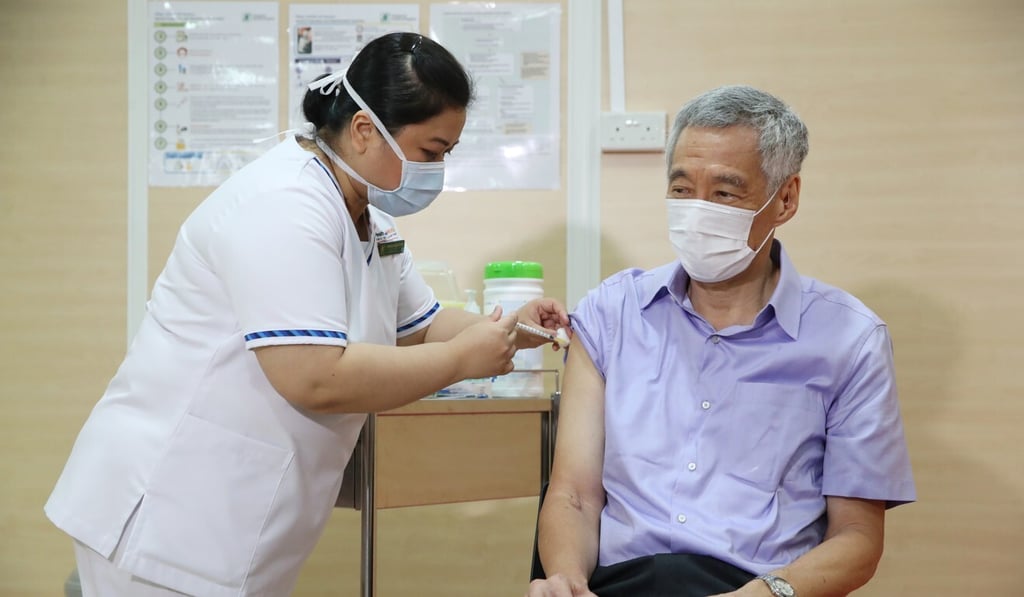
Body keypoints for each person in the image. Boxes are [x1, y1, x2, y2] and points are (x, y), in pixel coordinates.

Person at [46, 31, 568, 596]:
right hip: (169, 513)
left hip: (234, 516)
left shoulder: (368, 215)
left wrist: (514, 329)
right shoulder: (284, 205)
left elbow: (421, 326)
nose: (437, 169)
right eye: (431, 151)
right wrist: (460, 361)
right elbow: (313, 375)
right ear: (366, 130)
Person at [527, 85, 915, 597]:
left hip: (757, 587)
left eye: (725, 193)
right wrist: (566, 583)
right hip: (618, 584)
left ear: (786, 199)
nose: (697, 210)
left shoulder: (851, 341)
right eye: (682, 189)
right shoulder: (611, 314)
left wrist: (762, 594)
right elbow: (574, 495)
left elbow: (857, 538)